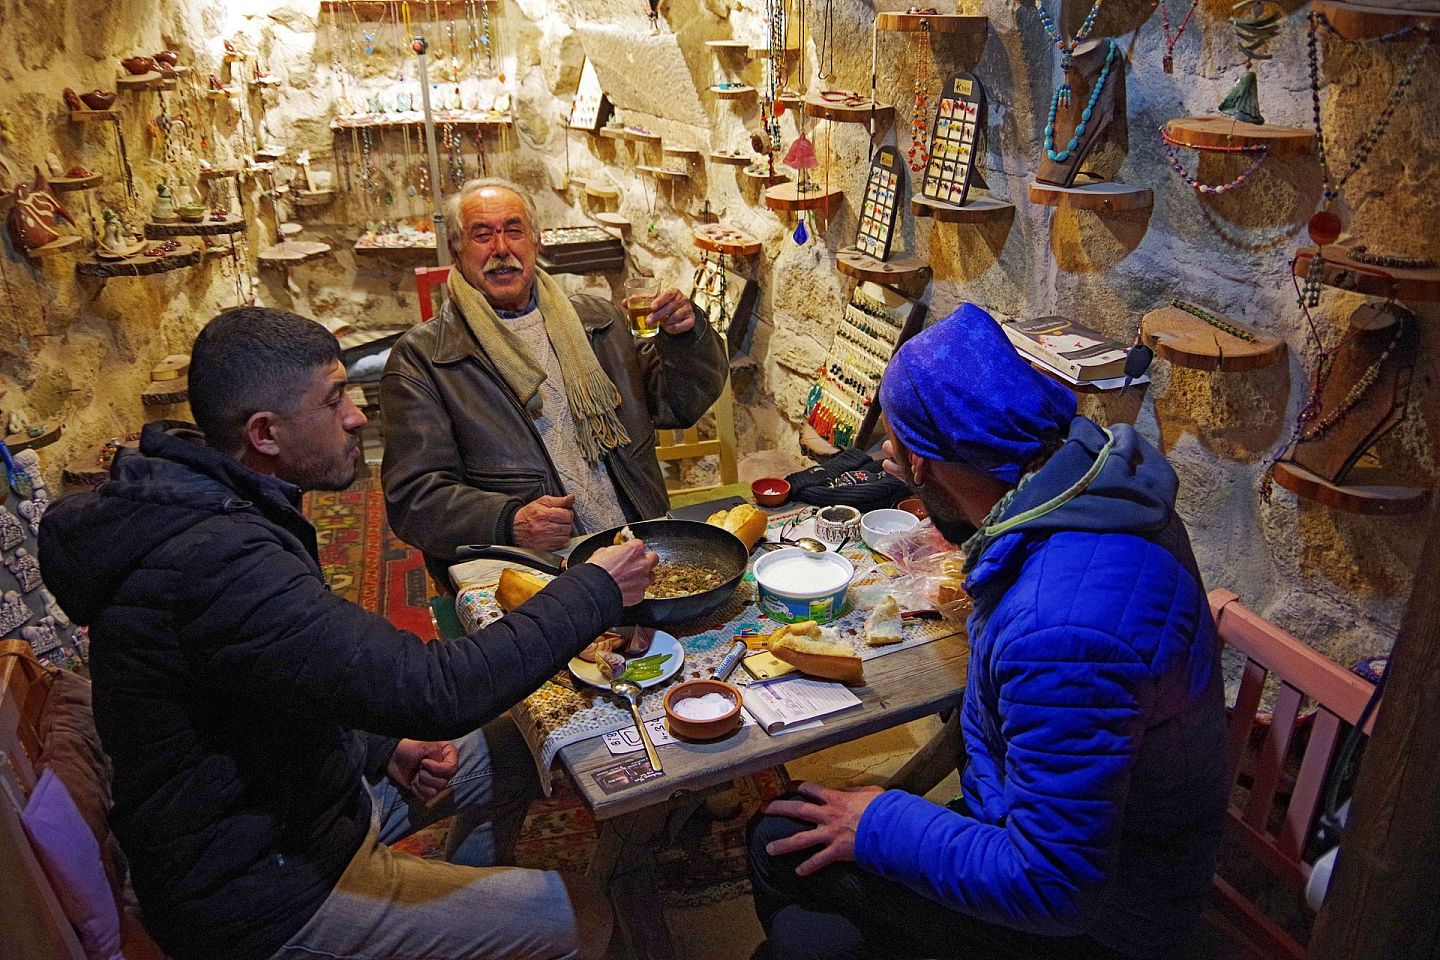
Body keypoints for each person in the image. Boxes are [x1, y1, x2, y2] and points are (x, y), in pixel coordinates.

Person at [39, 307, 659, 960]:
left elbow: (284, 671)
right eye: (334, 400)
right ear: (265, 433)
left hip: (301, 799)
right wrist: (596, 589)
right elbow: (437, 689)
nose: (357, 416)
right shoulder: (216, 561)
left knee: (517, 746)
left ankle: (468, 908)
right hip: (264, 893)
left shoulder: (210, 502)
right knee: (581, 913)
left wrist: (379, 743)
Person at [747, 303, 1228, 960]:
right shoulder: (1095, 489)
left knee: (777, 844)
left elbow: (1052, 886)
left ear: (919, 464)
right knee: (801, 865)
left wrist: (880, 825)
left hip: (1106, 924)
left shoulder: (1060, 633)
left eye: (895, 443)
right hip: (1082, 841)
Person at [382, 177, 728, 585]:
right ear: (456, 251)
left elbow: (678, 404)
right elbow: (414, 498)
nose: (501, 249)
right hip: (538, 569)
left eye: (514, 231)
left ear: (536, 242)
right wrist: (508, 521)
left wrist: (684, 338)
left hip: (640, 545)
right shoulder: (424, 359)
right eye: (482, 235)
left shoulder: (599, 322)